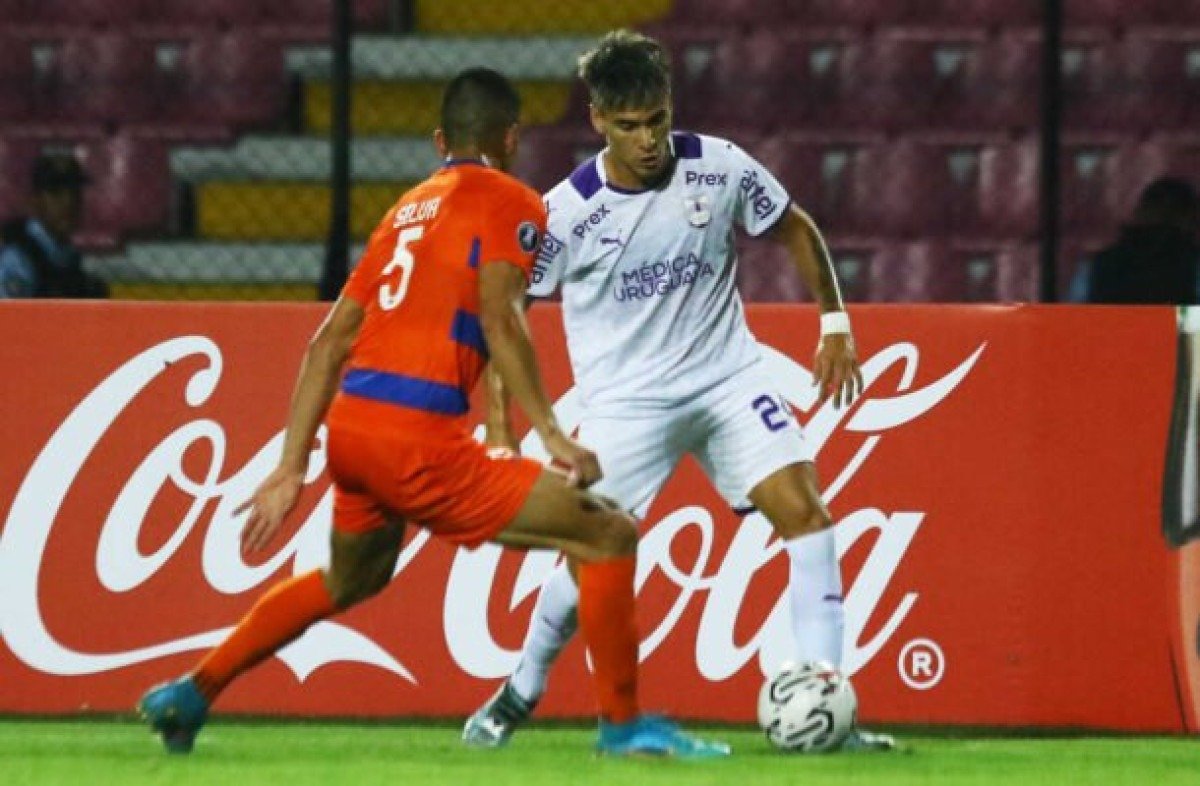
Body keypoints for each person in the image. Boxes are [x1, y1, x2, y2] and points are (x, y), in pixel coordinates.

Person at [138, 67, 727, 760]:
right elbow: (502, 318)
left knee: (351, 578)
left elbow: (327, 344)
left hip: (353, 432)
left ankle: (192, 692)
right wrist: (553, 436)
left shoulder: (405, 212)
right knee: (608, 533)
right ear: (512, 138)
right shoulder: (512, 200)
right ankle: (623, 727)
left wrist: (292, 466)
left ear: (441, 142)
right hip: (417, 439)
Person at [462, 30, 894, 752]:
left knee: (809, 517)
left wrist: (835, 324)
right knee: (591, 553)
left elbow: (794, 228)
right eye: (629, 125)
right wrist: (501, 428)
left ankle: (829, 713)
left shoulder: (719, 166)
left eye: (657, 119)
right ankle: (519, 691)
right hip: (627, 403)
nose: (648, 140)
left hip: (728, 378)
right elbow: (506, 317)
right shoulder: (564, 215)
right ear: (598, 120)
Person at [1068, 176, 1200, 304]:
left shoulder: (1096, 265)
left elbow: (1074, 314)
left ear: (1141, 212)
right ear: (1190, 219)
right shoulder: (1193, 266)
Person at [0, 150, 108, 299]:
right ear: (35, 200)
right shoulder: (18, 258)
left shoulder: (66, 255)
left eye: (74, 192)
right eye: (55, 192)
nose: (68, 202)